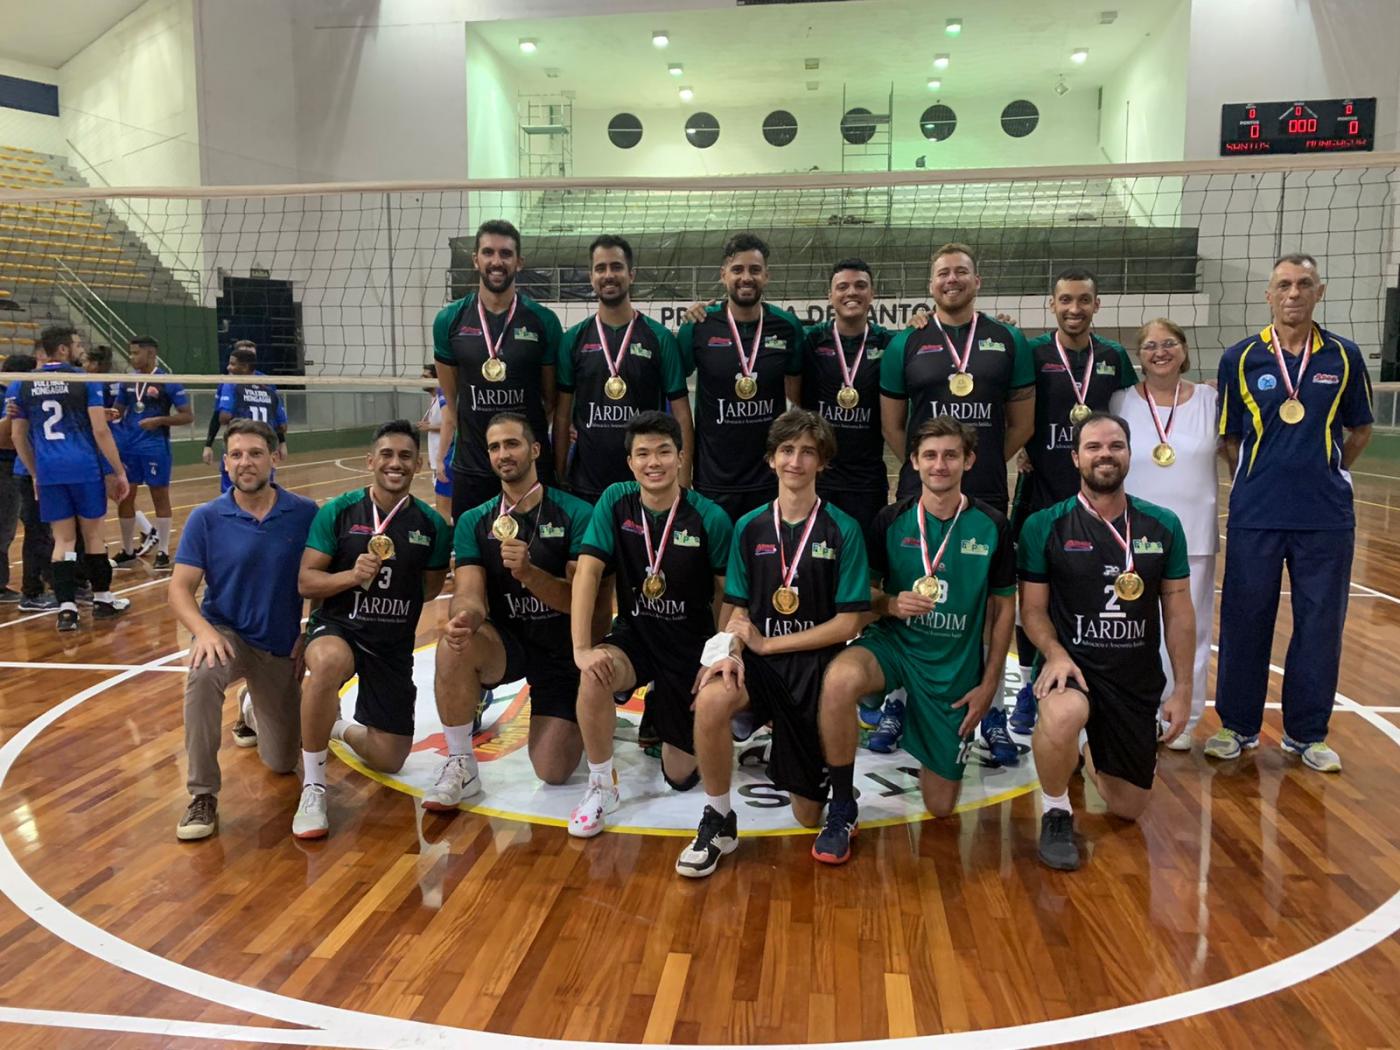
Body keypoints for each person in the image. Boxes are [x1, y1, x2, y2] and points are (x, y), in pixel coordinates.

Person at [815, 415, 1016, 864]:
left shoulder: (992, 525)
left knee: (940, 807)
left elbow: (1004, 609)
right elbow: (860, 598)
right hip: (895, 648)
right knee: (838, 680)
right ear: (913, 462)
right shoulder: (890, 520)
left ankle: (909, 718)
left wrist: (989, 687)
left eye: (950, 455)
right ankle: (842, 805)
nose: (939, 465)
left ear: (969, 460)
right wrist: (888, 604)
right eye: (930, 456)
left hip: (952, 667)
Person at [681, 410, 868, 877]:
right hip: (762, 664)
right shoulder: (749, 526)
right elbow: (738, 608)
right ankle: (719, 818)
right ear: (771, 460)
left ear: (822, 462)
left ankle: (825, 780)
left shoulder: (843, 528)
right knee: (709, 698)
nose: (796, 461)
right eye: (787, 450)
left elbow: (848, 622)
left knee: (808, 817)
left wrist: (766, 646)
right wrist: (730, 651)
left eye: (807, 451)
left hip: (815, 669)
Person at [1208, 253, 1373, 773]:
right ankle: (1237, 727)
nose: (1294, 293)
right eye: (1284, 285)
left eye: (1304, 284)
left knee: (1320, 625)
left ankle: (1307, 735)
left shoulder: (1344, 357)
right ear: (1269, 295)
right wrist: (1258, 478)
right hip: (1256, 512)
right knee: (1244, 621)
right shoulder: (1240, 358)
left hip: (1325, 517)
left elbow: (1361, 429)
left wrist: (1328, 471)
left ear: (1319, 292)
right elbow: (1229, 438)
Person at [1018, 412, 1194, 870]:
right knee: (1063, 714)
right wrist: (1054, 653)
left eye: (1115, 446)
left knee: (1127, 807)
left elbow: (1177, 610)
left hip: (1134, 677)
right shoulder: (1045, 525)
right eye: (1093, 447)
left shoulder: (1162, 525)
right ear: (1076, 457)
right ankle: (1056, 810)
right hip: (1073, 666)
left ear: (1130, 455)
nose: (1105, 455)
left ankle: (1092, 747)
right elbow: (1032, 610)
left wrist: (1184, 689)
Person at [567, 411, 732, 837]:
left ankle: (664, 705)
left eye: (663, 451)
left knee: (680, 777)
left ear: (681, 457)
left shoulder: (708, 516)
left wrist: (717, 657)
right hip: (636, 634)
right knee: (594, 673)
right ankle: (602, 786)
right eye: (642, 454)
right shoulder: (615, 501)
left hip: (688, 647)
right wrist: (582, 648)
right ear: (630, 463)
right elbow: (587, 573)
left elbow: (727, 596)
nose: (653, 462)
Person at [423, 412, 597, 809]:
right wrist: (464, 618)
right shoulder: (473, 521)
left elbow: (579, 602)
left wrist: (529, 573)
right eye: (495, 447)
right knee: (454, 645)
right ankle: (460, 764)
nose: (504, 454)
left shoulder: (576, 514)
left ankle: (585, 713)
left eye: (512, 444)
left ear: (535, 450)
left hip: (563, 650)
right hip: (509, 642)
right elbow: (469, 592)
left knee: (553, 770)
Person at [293, 420, 451, 839]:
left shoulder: (432, 526)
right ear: (370, 461)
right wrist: (350, 576)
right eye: (386, 455)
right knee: (327, 663)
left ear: (418, 465)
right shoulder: (339, 511)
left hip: (392, 644)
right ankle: (313, 786)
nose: (395, 463)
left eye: (404, 456)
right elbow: (307, 581)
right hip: (339, 628)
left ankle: (334, 725)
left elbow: (432, 589)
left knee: (389, 757)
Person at [1002, 267, 1138, 740]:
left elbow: (1128, 419)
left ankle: (1089, 678)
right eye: (1065, 300)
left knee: (1085, 594)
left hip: (1097, 499)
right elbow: (1008, 402)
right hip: (1041, 492)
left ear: (1096, 305)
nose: (1074, 309)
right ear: (1052, 304)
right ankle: (1026, 686)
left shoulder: (1115, 357)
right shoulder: (1034, 353)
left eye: (1083, 300)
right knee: (1031, 595)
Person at [169, 418, 318, 840]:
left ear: (274, 458)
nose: (245, 462)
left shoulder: (304, 514)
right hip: (226, 633)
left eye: (254, 453)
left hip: (277, 644)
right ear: (226, 462)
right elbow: (179, 590)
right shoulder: (207, 518)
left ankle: (250, 707)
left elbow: (321, 582)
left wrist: (310, 632)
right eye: (235, 454)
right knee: (201, 675)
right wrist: (206, 632)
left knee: (282, 763)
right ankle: (202, 795)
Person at [1111, 319, 1218, 751]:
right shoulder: (1120, 400)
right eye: (1151, 345)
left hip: (1193, 534)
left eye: (1168, 343)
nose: (1160, 351)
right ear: (1139, 355)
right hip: (1132, 536)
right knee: (1135, 629)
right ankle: (1138, 711)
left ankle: (1184, 717)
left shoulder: (1211, 399)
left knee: (1191, 630)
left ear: (1184, 349)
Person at [881, 243, 1035, 515]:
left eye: (961, 271)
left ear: (977, 281)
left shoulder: (1009, 338)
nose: (952, 279)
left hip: (986, 485)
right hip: (922, 487)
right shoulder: (904, 343)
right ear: (931, 285)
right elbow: (891, 427)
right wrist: (924, 463)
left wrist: (985, 461)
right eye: (943, 273)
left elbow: (1023, 425)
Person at [433, 219, 563, 521]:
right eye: (488, 252)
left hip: (528, 469)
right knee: (473, 556)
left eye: (505, 254)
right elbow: (452, 401)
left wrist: (519, 442)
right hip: (474, 466)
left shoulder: (543, 321)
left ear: (519, 262)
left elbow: (550, 400)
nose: (496, 261)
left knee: (538, 556)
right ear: (475, 259)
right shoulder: (449, 320)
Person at [6, 325, 129, 631]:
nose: (79, 348)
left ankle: (67, 609)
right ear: (62, 349)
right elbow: (100, 431)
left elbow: (18, 436)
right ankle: (102, 598)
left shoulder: (21, 384)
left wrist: (35, 471)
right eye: (75, 344)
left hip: (50, 472)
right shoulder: (83, 380)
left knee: (64, 541)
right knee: (93, 537)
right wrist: (119, 470)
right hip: (84, 469)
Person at [555, 234, 694, 504]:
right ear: (591, 277)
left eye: (616, 267)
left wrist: (683, 478)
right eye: (601, 268)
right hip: (586, 486)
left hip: (647, 485)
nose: (609, 275)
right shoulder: (573, 339)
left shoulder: (659, 337)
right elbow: (562, 417)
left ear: (631, 275)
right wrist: (559, 475)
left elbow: (682, 416)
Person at [677, 233, 805, 522]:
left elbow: (797, 398)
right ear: (723, 275)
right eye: (737, 270)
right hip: (714, 479)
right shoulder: (698, 327)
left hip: (771, 478)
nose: (746, 277)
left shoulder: (786, 327)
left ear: (766, 276)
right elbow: (673, 393)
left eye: (754, 270)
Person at [796, 259, 895, 536]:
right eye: (842, 287)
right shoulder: (812, 341)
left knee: (866, 563)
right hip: (819, 477)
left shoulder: (889, 343)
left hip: (867, 481)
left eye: (860, 286)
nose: (851, 292)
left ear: (872, 294)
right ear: (830, 296)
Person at [111, 335, 192, 572]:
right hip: (129, 447)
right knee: (125, 496)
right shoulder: (127, 381)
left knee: (160, 496)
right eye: (131, 353)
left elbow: (187, 415)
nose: (132, 357)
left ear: (151, 354)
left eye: (136, 353)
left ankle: (164, 551)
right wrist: (107, 414)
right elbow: (118, 410)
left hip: (155, 447)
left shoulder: (168, 380)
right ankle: (127, 551)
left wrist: (160, 420)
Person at [215, 346, 288, 492]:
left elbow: (224, 418)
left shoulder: (232, 385)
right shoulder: (269, 390)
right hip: (264, 450)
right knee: (264, 492)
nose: (229, 367)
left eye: (233, 363)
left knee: (232, 496)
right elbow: (283, 426)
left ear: (244, 367)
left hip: (239, 447)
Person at [203, 340, 258, 465]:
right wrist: (208, 445)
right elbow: (218, 415)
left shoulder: (267, 382)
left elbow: (277, 418)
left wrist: (282, 442)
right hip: (241, 443)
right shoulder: (227, 382)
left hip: (253, 442)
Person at [419, 362, 453, 523]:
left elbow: (450, 424)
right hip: (438, 457)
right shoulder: (435, 399)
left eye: (425, 377)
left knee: (445, 508)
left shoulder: (443, 393)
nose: (421, 380)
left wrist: (440, 458)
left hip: (447, 457)